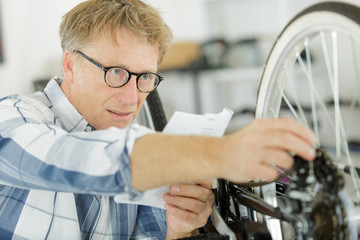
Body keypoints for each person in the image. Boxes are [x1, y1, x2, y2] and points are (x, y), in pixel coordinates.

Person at [0, 0, 316, 239]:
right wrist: (221, 154)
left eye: (145, 77)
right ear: (70, 65)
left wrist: (173, 226)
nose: (131, 97)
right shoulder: (13, 116)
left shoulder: (135, 152)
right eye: (116, 73)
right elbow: (69, 157)